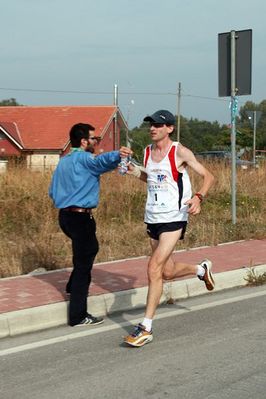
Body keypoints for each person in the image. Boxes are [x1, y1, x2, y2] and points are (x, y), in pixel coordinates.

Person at [124, 110, 215, 347]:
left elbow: (209, 176)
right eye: (150, 125)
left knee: (153, 267)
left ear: (170, 128)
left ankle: (146, 327)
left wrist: (198, 197)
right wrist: (132, 170)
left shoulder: (180, 152)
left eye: (158, 125)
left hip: (175, 217)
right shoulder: (146, 152)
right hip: (152, 217)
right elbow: (151, 178)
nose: (152, 128)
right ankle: (200, 270)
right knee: (166, 271)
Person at [49, 123, 132, 327]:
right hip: (80, 218)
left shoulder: (64, 161)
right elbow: (101, 160)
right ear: (84, 141)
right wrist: (118, 154)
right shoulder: (86, 159)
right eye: (95, 139)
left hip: (65, 217)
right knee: (83, 263)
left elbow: (52, 191)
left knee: (87, 251)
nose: (97, 143)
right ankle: (78, 315)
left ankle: (71, 286)